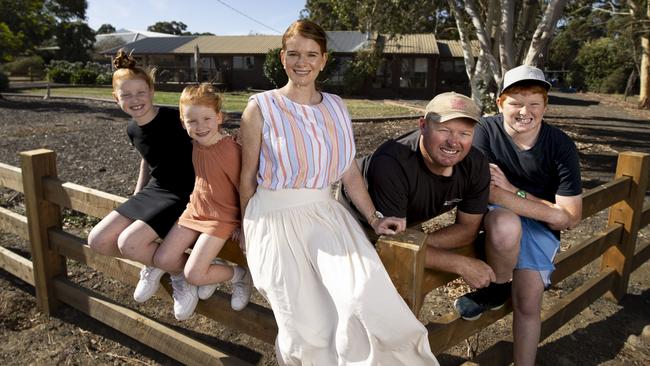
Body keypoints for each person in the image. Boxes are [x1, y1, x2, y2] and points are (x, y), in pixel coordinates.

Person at [239, 19, 439, 365]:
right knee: (308, 326)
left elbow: (349, 172)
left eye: (311, 54)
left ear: (324, 60)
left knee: (363, 296)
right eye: (294, 54)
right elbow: (246, 178)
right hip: (273, 219)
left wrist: (374, 218)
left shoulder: (336, 106)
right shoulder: (260, 108)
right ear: (282, 57)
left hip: (325, 215)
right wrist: (244, 225)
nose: (302, 62)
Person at [358, 92, 519, 321]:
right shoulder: (393, 161)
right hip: (354, 222)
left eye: (464, 133)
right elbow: (395, 244)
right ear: (423, 125)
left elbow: (467, 230)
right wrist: (460, 263)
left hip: (405, 225)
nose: (454, 142)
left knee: (413, 286)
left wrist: (419, 245)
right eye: (444, 130)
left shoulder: (475, 165)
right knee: (365, 300)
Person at [472, 65, 582, 365]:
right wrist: (549, 210)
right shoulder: (485, 130)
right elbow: (488, 192)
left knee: (529, 302)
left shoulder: (559, 145)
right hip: (496, 224)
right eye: (516, 102)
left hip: (539, 230)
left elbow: (570, 217)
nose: (525, 111)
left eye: (534, 103)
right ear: (500, 104)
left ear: (545, 106)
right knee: (505, 223)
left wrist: (513, 191)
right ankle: (497, 287)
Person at [87, 50, 197, 320]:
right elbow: (147, 160)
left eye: (140, 92)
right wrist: (138, 194)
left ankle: (183, 273)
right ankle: (157, 261)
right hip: (154, 191)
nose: (134, 100)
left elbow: (207, 148)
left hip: (184, 191)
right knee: (98, 240)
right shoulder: (132, 129)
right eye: (126, 95)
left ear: (151, 91)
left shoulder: (176, 120)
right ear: (116, 99)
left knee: (129, 244)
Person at [150, 83, 252, 319]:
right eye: (192, 121)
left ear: (219, 117)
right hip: (195, 210)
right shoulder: (195, 144)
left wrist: (242, 225)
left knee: (194, 274)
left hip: (222, 218)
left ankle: (240, 275)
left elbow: (245, 189)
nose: (200, 126)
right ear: (183, 122)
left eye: (207, 119)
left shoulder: (229, 150)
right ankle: (208, 268)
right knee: (163, 258)